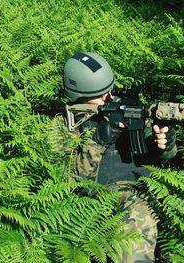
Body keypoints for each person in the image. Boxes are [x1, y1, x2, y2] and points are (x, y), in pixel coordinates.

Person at [63, 52, 177, 262]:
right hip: (109, 196)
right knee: (136, 213)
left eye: (108, 90)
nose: (107, 98)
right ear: (77, 96)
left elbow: (156, 155)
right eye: (98, 95)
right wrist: (97, 142)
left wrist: (164, 145)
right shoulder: (65, 126)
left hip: (146, 187)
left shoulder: (127, 106)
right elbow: (69, 181)